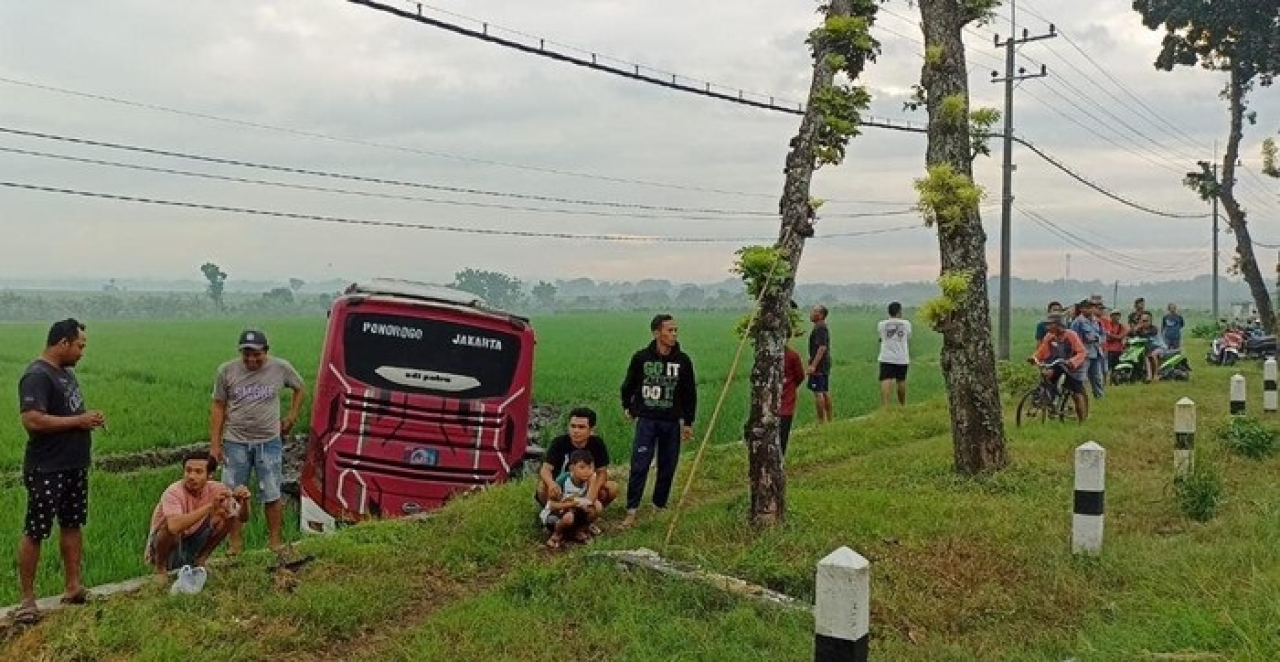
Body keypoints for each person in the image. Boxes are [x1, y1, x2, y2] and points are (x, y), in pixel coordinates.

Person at [14, 319, 107, 624]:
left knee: (72, 524)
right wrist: (79, 422)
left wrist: (87, 418)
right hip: (48, 467)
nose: (82, 352)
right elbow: (33, 420)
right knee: (36, 530)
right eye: (79, 345)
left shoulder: (64, 374)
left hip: (73, 465)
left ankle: (73, 586)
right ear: (63, 343)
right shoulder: (37, 375)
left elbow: (67, 412)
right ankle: (27, 599)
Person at [210, 329, 306, 554]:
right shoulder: (226, 371)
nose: (252, 359)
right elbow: (218, 406)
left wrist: (292, 415)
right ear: (240, 353)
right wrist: (215, 444)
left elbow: (300, 388)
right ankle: (234, 544)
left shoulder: (281, 368)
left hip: (268, 442)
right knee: (232, 494)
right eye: (246, 354)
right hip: (235, 441)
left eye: (257, 354)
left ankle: (274, 542)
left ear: (266, 351)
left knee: (272, 493)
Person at [619, 314, 697, 529]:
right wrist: (628, 406)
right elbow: (628, 385)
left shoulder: (683, 361)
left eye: (675, 330)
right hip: (647, 420)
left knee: (667, 465)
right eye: (669, 330)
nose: (673, 334)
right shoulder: (641, 358)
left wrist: (688, 422)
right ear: (656, 333)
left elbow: (689, 393)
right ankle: (631, 510)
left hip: (671, 422)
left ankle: (658, 506)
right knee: (640, 464)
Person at [146, 451, 250, 575]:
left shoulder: (217, 489)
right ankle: (160, 569)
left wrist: (244, 501)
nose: (191, 476)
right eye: (188, 471)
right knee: (168, 529)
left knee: (226, 515)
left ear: (209, 475)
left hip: (194, 536)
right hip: (168, 544)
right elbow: (174, 527)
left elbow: (241, 518)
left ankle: (200, 560)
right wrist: (210, 507)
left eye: (198, 472)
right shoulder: (173, 492)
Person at [536, 407, 618, 530]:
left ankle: (587, 520)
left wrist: (594, 489)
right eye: (573, 426)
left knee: (612, 487)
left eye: (581, 427)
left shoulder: (597, 444)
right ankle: (553, 517)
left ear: (591, 430)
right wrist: (552, 483)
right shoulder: (558, 443)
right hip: (562, 487)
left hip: (586, 487)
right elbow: (545, 469)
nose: (575, 431)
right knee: (542, 487)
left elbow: (602, 472)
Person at [1030, 314, 1089, 423]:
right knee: (1047, 376)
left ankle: (1082, 420)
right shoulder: (1049, 336)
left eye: (1050, 324)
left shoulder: (1071, 335)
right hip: (1058, 363)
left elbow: (1082, 352)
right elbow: (1042, 350)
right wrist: (1034, 358)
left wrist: (1072, 362)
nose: (1047, 327)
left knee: (1076, 393)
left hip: (1074, 366)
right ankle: (1051, 401)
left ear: (1059, 325)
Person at [539, 450, 599, 549]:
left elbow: (590, 500)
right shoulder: (563, 480)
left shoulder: (589, 480)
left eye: (590, 468)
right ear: (572, 468)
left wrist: (593, 481)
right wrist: (571, 504)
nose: (586, 471)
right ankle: (556, 535)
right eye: (582, 467)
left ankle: (578, 532)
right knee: (568, 517)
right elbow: (551, 505)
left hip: (574, 512)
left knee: (596, 507)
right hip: (556, 515)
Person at [877, 301, 912, 408]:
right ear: (899, 311)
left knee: (885, 380)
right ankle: (902, 405)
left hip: (886, 357)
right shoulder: (906, 324)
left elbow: (881, 337)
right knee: (901, 380)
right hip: (902, 358)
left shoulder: (881, 324)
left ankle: (885, 407)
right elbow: (908, 337)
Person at [1071, 299, 1106, 400]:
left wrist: (1096, 338)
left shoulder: (1096, 321)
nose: (1090, 310)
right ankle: (1082, 399)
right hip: (1083, 355)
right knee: (1082, 378)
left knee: (1097, 378)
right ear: (1081, 309)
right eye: (1087, 307)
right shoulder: (1077, 322)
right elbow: (1074, 339)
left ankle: (1099, 398)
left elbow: (1103, 335)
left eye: (1091, 307)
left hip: (1096, 352)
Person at [780, 324, 806, 455]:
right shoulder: (791, 355)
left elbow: (800, 376)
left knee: (781, 436)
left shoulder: (792, 356)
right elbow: (800, 377)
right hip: (784, 405)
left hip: (785, 404)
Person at [807, 305, 833, 423]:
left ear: (821, 315)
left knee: (818, 393)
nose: (811, 313)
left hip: (820, 365)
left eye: (815, 311)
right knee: (825, 391)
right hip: (824, 364)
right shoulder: (820, 327)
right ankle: (829, 420)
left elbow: (822, 347)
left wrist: (813, 365)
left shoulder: (820, 328)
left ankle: (821, 421)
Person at [1129, 313, 1164, 382]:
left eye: (1146, 321)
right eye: (1142, 321)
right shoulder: (1141, 329)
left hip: (1159, 347)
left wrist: (1138, 328)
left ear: (1150, 321)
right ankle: (1149, 376)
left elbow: (1149, 334)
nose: (1144, 322)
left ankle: (1156, 374)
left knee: (1153, 355)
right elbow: (1131, 334)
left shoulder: (1154, 328)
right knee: (1146, 356)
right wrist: (1135, 329)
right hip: (1149, 348)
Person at [1102, 309, 1127, 374]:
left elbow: (1120, 337)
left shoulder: (1122, 326)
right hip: (1109, 350)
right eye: (1114, 315)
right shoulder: (1107, 325)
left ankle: (1114, 381)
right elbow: (1106, 337)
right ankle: (1105, 381)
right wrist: (1115, 336)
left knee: (1116, 367)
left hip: (1118, 350)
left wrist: (1110, 335)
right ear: (1111, 316)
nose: (1116, 317)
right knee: (1107, 367)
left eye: (1117, 315)